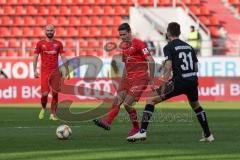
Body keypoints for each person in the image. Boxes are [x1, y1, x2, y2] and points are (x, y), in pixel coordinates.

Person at [127, 22, 214, 142]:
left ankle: (142, 132)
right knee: (196, 105)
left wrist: (163, 81)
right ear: (179, 32)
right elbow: (195, 68)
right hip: (192, 81)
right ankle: (208, 135)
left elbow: (168, 65)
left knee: (150, 99)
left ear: (168, 33)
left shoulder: (168, 47)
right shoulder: (189, 47)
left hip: (179, 81)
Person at [93, 23, 155, 138]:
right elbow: (127, 65)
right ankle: (107, 122)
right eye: (120, 35)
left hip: (140, 78)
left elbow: (151, 60)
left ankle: (136, 128)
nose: (122, 37)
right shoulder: (124, 46)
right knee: (116, 101)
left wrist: (151, 79)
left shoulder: (139, 43)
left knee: (127, 104)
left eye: (124, 34)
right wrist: (123, 81)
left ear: (130, 32)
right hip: (127, 78)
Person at [33, 25, 69, 121]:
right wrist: (34, 70)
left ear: (54, 31)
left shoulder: (58, 44)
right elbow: (35, 57)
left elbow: (63, 57)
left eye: (51, 30)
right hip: (44, 72)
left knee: (55, 93)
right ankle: (44, 108)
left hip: (55, 71)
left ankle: (53, 114)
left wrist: (67, 69)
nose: (49, 32)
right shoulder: (40, 44)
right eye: (48, 30)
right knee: (44, 94)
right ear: (45, 31)